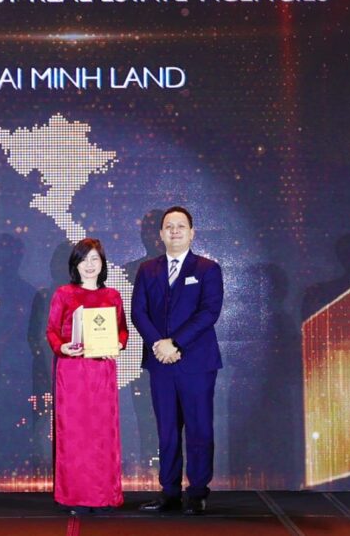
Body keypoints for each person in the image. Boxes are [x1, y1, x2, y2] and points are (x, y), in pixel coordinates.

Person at [132, 206, 223, 515]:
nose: (174, 231)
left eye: (180, 226)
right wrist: (158, 344)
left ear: (192, 232)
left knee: (199, 429)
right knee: (167, 431)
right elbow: (139, 312)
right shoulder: (147, 270)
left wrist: (175, 343)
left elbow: (209, 312)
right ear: (160, 234)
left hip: (196, 362)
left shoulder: (207, 269)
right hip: (160, 361)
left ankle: (197, 492)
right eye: (168, 226)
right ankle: (169, 492)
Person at [46, 238, 129, 513]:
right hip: (72, 372)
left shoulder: (112, 296)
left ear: (102, 263)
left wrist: (118, 344)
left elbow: (122, 330)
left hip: (102, 371)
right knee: (74, 434)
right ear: (75, 264)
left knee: (103, 433)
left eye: (95, 259)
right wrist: (62, 347)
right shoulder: (64, 294)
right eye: (84, 259)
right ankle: (74, 497)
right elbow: (52, 331)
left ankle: (104, 496)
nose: (89, 265)